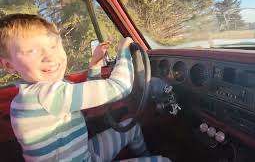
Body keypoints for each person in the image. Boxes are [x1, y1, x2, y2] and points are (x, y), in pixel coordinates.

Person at [0, 14, 170, 162]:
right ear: (9, 66)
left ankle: (145, 155)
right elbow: (120, 87)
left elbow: (89, 96)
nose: (49, 56)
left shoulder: (38, 94)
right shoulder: (44, 95)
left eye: (53, 46)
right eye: (32, 51)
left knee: (132, 127)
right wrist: (123, 51)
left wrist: (95, 66)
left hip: (84, 155)